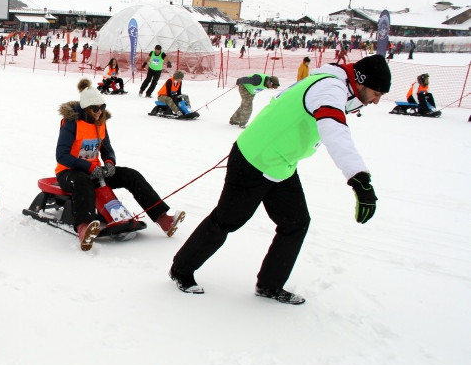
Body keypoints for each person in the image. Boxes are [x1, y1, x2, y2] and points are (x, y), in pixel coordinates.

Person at [169, 54, 392, 304]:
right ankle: (181, 270)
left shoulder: (332, 84)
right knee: (227, 220)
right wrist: (360, 180)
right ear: (360, 81)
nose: (376, 100)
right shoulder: (331, 88)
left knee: (296, 222)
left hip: (281, 165)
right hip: (254, 159)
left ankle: (269, 285)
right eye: (377, 92)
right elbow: (335, 132)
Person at [56, 79, 185, 251]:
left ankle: (163, 218)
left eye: (102, 108)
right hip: (70, 173)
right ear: (86, 108)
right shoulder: (71, 123)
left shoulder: (100, 122)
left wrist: (109, 163)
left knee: (131, 175)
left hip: (95, 171)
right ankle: (84, 228)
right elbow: (61, 155)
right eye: (95, 109)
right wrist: (88, 167)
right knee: (83, 182)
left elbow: (107, 149)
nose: (99, 112)